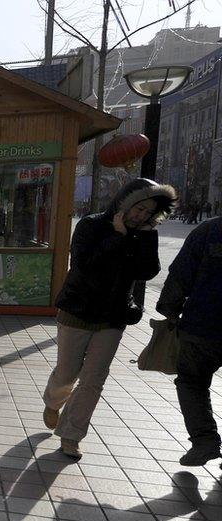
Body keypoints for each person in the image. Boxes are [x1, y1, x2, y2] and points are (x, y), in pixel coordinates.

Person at [43, 178, 176, 458]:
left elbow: (148, 271)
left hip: (113, 316)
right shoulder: (91, 225)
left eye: (148, 212)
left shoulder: (144, 233)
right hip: (77, 310)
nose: (141, 215)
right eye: (138, 208)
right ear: (124, 202)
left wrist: (139, 238)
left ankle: (71, 435)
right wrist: (117, 237)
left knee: (93, 379)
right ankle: (53, 402)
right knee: (67, 373)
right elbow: (84, 265)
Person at [156, 216, 222, 466]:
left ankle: (204, 441)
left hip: (202, 326)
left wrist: (170, 310)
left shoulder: (209, 230)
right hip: (201, 326)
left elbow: (180, 273)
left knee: (192, 383)